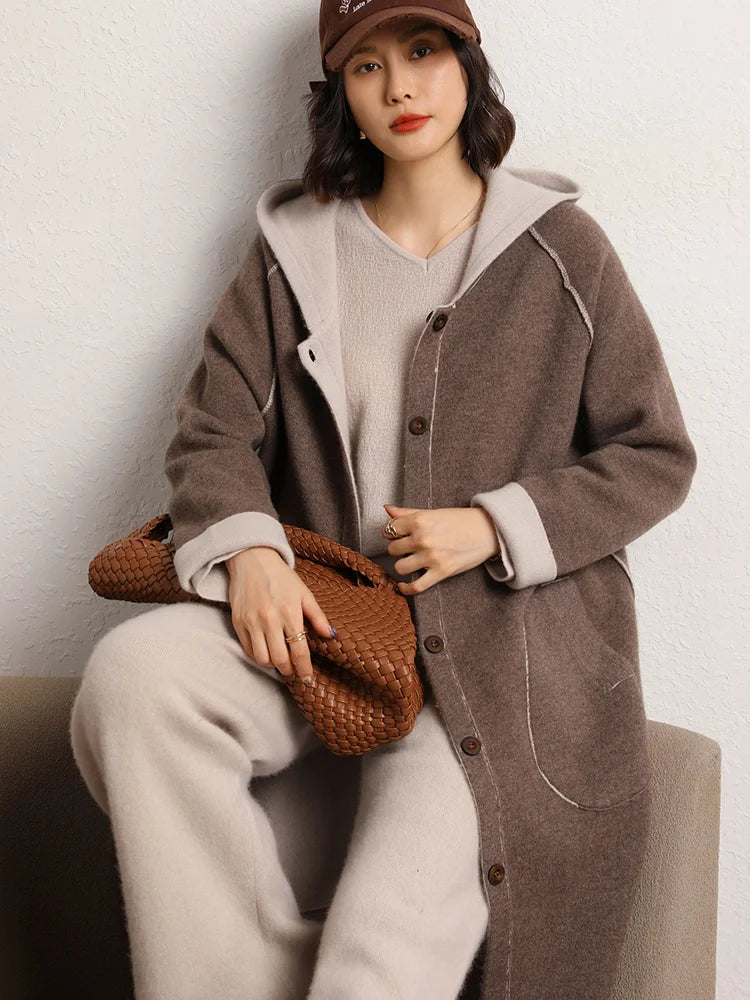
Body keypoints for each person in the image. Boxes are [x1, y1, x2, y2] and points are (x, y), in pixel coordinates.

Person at [70, 1, 698, 999]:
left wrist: (495, 525)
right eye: (366, 67)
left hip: (489, 669)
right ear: (341, 99)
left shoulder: (561, 252)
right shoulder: (293, 254)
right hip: (332, 633)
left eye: (421, 51)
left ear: (467, 65)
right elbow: (212, 432)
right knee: (133, 677)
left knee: (376, 966)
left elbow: (656, 452)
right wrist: (255, 554)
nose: (399, 86)